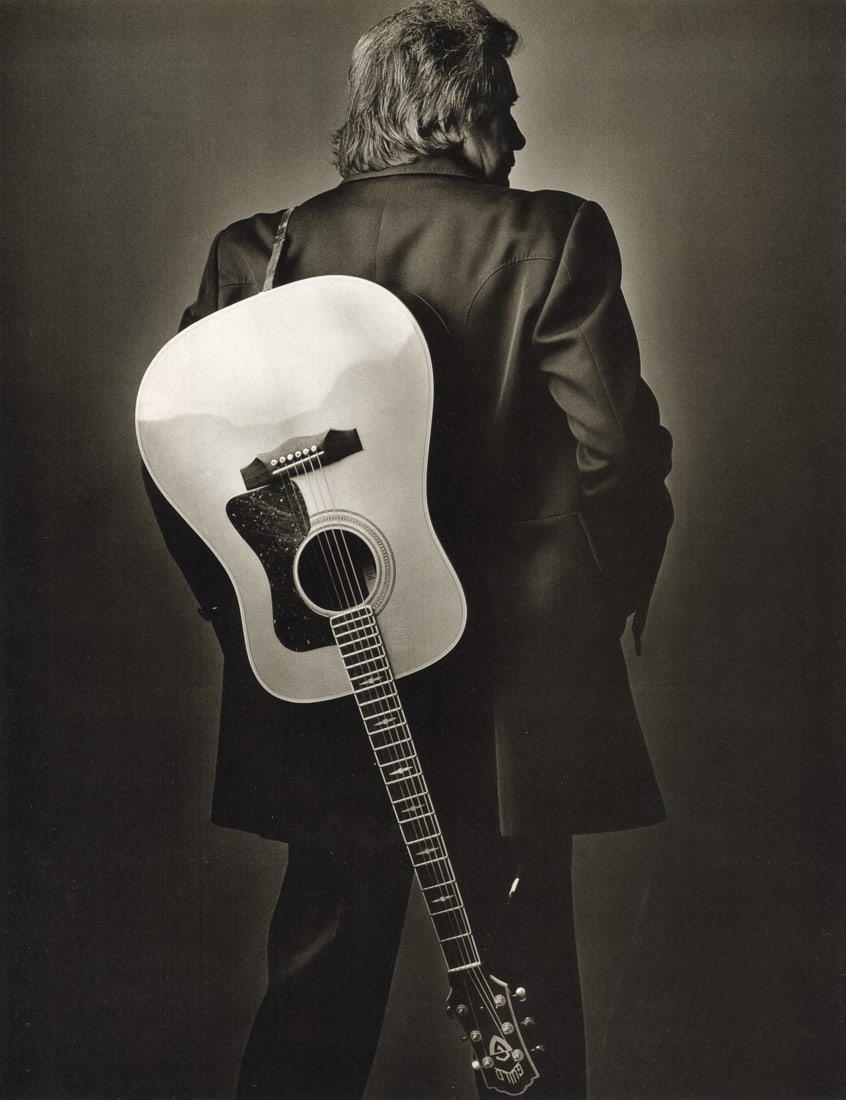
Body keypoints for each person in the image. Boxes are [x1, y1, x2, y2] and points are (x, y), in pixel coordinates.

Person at [144, 1, 673, 1096]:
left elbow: (181, 469)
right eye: (506, 104)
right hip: (511, 698)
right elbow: (617, 454)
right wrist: (594, 603)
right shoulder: (553, 233)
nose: (519, 134)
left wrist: (263, 615)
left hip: (329, 671)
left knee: (316, 990)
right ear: (466, 107)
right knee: (522, 994)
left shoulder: (260, 251)